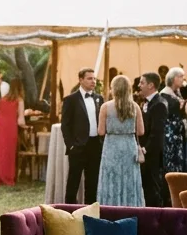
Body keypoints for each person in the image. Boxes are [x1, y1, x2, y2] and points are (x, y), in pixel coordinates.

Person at [97, 75, 145, 206]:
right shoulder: (135, 107)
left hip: (112, 145)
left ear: (114, 89)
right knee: (129, 178)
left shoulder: (105, 107)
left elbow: (100, 131)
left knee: (111, 178)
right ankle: (130, 206)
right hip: (129, 145)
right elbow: (141, 131)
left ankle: (110, 206)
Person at [60, 67, 103, 204]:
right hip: (78, 146)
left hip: (95, 145)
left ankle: (91, 210)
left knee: (93, 181)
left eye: (94, 78)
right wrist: (71, 145)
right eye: (90, 78)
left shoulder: (99, 98)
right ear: (80, 80)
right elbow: (65, 125)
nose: (93, 81)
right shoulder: (70, 99)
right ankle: (69, 210)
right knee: (73, 181)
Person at [138, 72, 167, 206]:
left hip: (152, 154)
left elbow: (157, 132)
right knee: (146, 187)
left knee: (152, 188)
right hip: (145, 153)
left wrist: (146, 149)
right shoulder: (145, 102)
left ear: (151, 85)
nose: (139, 85)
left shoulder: (159, 104)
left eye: (142, 83)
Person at [0, 78, 26, 187]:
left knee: (0, 151)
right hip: (11, 128)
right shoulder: (19, 100)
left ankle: (0, 178)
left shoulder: (2, 99)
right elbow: (21, 120)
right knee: (9, 153)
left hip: (0, 128)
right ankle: (8, 177)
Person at [160, 67, 186, 193]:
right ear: (174, 78)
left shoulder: (177, 93)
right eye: (181, 77)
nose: (182, 80)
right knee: (170, 165)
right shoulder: (165, 94)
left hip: (177, 135)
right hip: (170, 134)